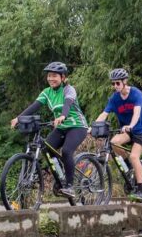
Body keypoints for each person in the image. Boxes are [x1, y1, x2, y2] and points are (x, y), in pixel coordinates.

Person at [10, 61, 88, 201]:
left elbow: (67, 104)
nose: (51, 78)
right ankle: (61, 174)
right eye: (49, 76)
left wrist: (63, 115)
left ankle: (69, 185)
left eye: (54, 76)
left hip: (77, 126)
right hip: (60, 127)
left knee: (67, 151)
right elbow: (34, 106)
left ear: (63, 77)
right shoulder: (46, 92)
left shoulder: (69, 89)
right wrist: (19, 118)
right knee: (46, 148)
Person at [95, 68, 142, 201]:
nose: (115, 86)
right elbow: (104, 114)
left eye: (117, 83)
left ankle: (141, 190)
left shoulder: (136, 94)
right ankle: (128, 166)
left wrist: (131, 126)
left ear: (124, 81)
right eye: (113, 84)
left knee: (134, 156)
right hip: (127, 131)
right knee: (113, 142)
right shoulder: (114, 98)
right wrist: (93, 126)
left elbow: (137, 113)